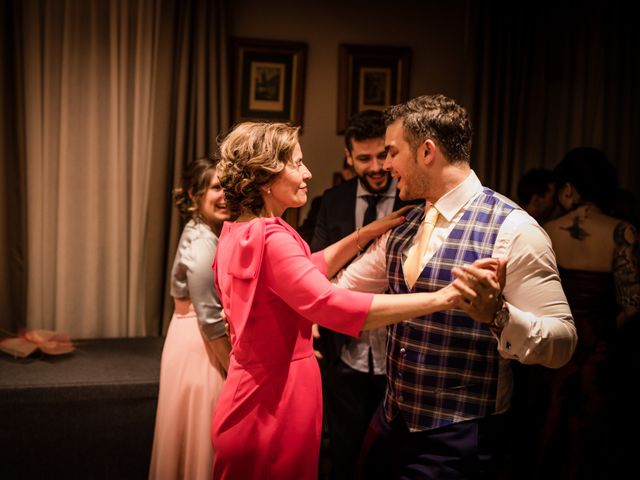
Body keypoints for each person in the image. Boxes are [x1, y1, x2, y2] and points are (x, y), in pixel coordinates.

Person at [210, 121, 500, 480]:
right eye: (297, 164)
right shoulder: (270, 238)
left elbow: (302, 272)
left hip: (249, 389)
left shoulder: (242, 231)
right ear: (266, 177)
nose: (308, 173)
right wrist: (442, 298)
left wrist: (365, 234)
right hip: (275, 399)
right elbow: (329, 303)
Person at [333, 94, 577, 478]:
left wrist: (498, 315)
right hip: (390, 421)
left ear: (427, 151)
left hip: (460, 438)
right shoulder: (403, 225)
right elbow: (341, 290)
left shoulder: (514, 230)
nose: (387, 164)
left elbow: (562, 344)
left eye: (393, 152)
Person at [310, 109, 415, 479]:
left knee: (391, 459)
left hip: (399, 353)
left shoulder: (414, 201)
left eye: (382, 156)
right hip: (345, 354)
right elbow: (315, 270)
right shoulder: (330, 201)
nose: (376, 167)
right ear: (348, 157)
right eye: (364, 159)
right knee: (344, 452)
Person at [540, 147, 639, 479]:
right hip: (601, 347)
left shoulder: (548, 230)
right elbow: (632, 304)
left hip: (557, 343)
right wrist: (601, 335)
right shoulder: (622, 231)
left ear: (568, 188)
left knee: (550, 426)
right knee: (595, 434)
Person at [149, 157, 231, 480]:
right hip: (201, 347)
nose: (225, 195)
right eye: (216, 187)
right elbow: (209, 317)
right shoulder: (202, 243)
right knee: (201, 436)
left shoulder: (204, 231)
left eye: (228, 186)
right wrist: (233, 367)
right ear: (196, 194)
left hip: (190, 339)